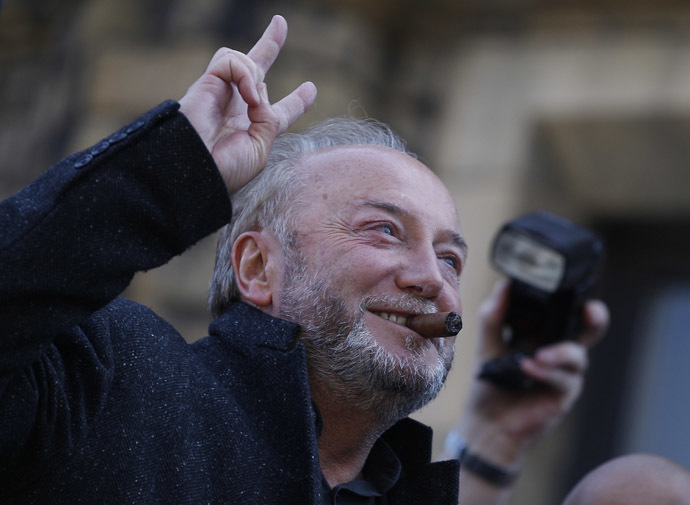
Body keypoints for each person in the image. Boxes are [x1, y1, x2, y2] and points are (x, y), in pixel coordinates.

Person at [0, 15, 608, 505]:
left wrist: (494, 439)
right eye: (384, 231)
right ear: (260, 269)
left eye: (451, 260)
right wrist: (170, 170)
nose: (434, 283)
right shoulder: (111, 379)